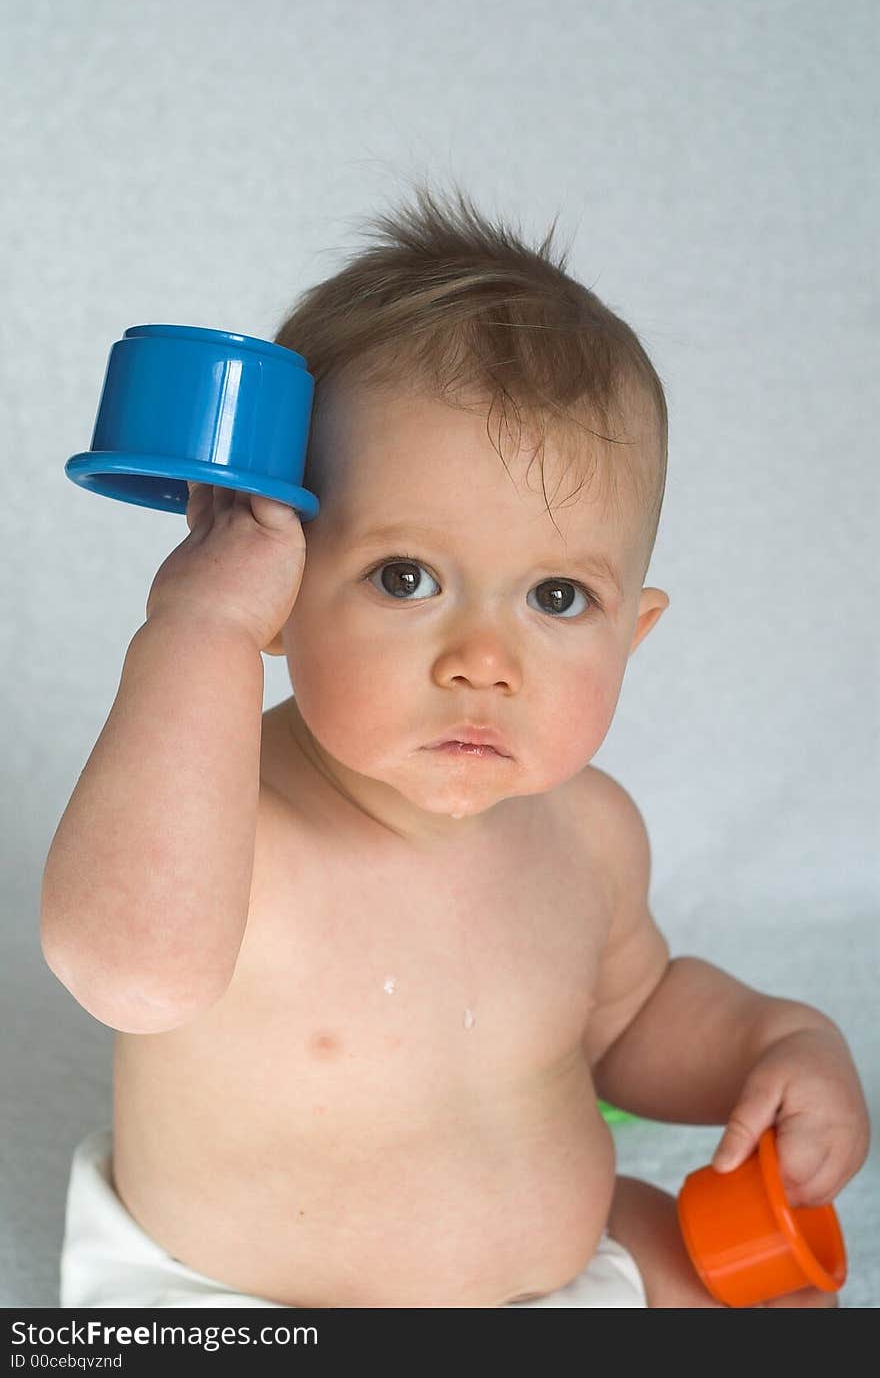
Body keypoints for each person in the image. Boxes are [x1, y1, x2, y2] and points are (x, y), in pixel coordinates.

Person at [41, 182, 869, 1309]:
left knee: (761, 1294)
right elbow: (129, 968)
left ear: (636, 629)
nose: (484, 657)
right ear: (279, 593)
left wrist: (776, 1038)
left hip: (552, 1265)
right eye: (405, 577)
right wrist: (201, 627)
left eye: (559, 595)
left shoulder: (588, 833)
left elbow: (630, 1016)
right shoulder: (224, 818)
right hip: (238, 1303)